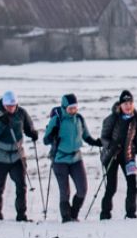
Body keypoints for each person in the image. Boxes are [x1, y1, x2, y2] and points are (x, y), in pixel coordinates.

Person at [44, 94, 104, 222]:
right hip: (59, 159)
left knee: (82, 189)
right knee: (64, 191)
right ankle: (66, 218)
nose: (73, 111)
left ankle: (74, 214)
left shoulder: (79, 119)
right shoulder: (57, 120)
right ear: (64, 107)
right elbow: (45, 140)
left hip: (76, 158)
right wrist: (52, 135)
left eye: (75, 108)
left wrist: (96, 142)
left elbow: (86, 136)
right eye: (70, 108)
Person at [0, 90, 40, 222]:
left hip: (17, 156)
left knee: (21, 185)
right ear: (3, 104)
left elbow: (28, 128)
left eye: (13, 106)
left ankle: (21, 215)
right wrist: (1, 124)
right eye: (8, 106)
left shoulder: (21, 113)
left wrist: (32, 133)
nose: (11, 109)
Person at [98, 91, 137, 220]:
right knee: (112, 187)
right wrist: (112, 145)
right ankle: (105, 214)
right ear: (120, 104)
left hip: (128, 156)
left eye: (130, 103)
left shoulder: (136, 118)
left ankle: (131, 214)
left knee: (132, 185)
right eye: (125, 103)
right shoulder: (112, 118)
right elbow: (103, 138)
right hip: (112, 156)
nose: (128, 106)